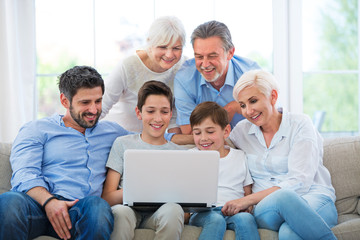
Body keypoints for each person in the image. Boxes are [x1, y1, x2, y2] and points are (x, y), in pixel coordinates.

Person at [0, 66, 132, 240]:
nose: (94, 110)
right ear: (65, 101)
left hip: (81, 211)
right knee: (9, 201)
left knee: (98, 206)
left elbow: (148, 141)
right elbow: (24, 174)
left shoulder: (114, 133)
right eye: (85, 103)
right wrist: (49, 202)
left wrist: (177, 137)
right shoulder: (37, 129)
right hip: (38, 208)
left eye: (98, 101)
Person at [226, 69, 337, 239]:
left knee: (288, 233)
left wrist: (247, 200)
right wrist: (172, 137)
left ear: (273, 96)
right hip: (268, 209)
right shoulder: (241, 131)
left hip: (313, 198)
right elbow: (214, 142)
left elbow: (300, 181)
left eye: (253, 101)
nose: (248, 111)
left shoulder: (300, 124)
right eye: (242, 105)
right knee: (283, 196)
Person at [102, 80, 185, 240]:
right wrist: (139, 192)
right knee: (120, 212)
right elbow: (108, 197)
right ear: (139, 113)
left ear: (171, 114)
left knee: (174, 209)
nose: (158, 118)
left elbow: (185, 206)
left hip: (160, 213)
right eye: (151, 111)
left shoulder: (178, 152)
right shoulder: (123, 144)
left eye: (164, 112)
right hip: (127, 209)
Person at [101, 16, 187, 133]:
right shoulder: (127, 66)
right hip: (117, 136)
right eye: (162, 47)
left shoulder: (183, 68)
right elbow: (102, 106)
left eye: (176, 48)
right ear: (149, 43)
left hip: (153, 141)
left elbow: (175, 117)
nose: (169, 54)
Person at [188, 101, 260, 240]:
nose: (203, 138)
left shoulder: (239, 156)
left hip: (234, 211)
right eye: (197, 133)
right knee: (216, 220)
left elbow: (247, 193)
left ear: (226, 131)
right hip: (204, 213)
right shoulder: (191, 156)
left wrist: (246, 207)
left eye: (210, 132)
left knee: (246, 219)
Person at [174, 20, 260, 134]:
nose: (205, 64)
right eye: (199, 57)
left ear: (230, 52)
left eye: (212, 56)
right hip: (206, 147)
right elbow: (190, 131)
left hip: (250, 141)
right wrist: (227, 111)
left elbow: (268, 120)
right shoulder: (184, 78)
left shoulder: (251, 74)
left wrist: (233, 107)